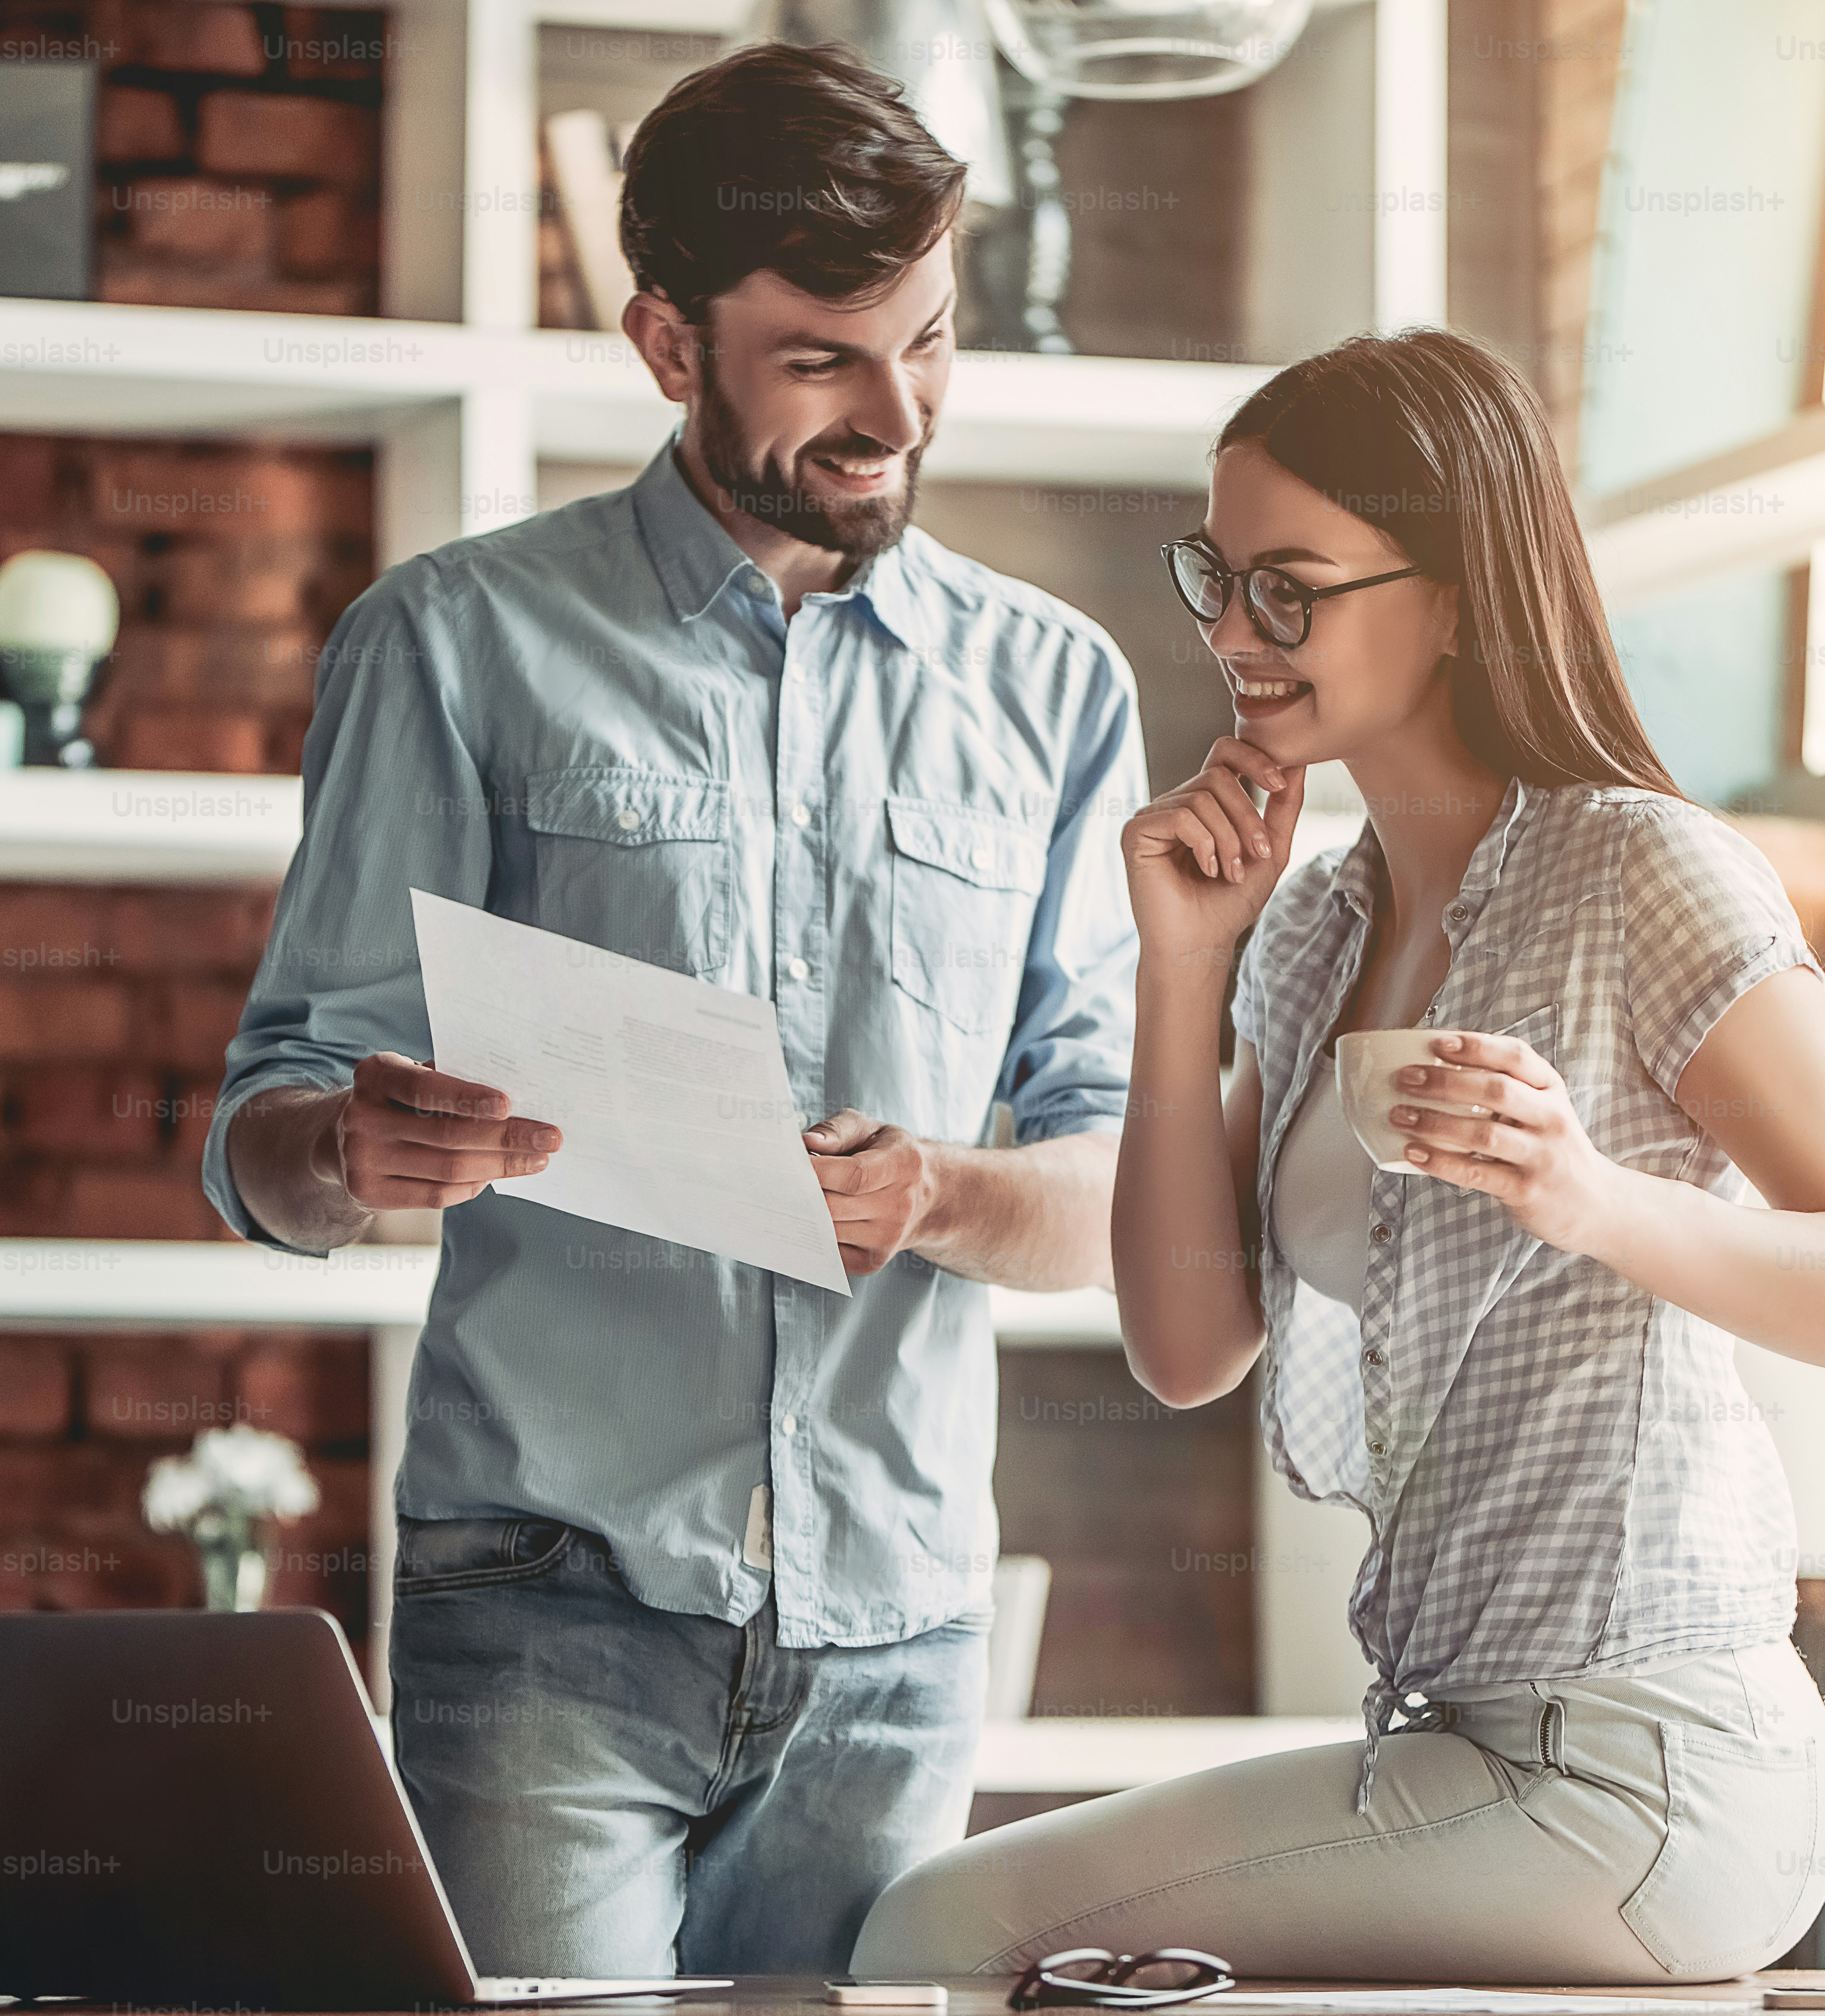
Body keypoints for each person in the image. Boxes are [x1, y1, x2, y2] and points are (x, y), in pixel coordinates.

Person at [201, 41, 1149, 1981]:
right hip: (545, 1602)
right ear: (663, 341)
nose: (896, 416)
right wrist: (343, 1147)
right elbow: (266, 1147)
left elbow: (1124, 1183)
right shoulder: (455, 643)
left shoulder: (1057, 693)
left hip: (898, 1632)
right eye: (820, 360)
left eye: (930, 344)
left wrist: (936, 1201)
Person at [852, 328, 1825, 1983]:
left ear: (1453, 595)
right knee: (966, 1925)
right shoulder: (1317, 925)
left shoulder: (1644, 873)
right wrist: (1182, 966)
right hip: (1476, 1741)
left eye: (1289, 588)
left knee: (947, 1925)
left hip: (1658, 1760)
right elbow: (1185, 1342)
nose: (1231, 634)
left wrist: (1585, 1193)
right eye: (1215, 579)